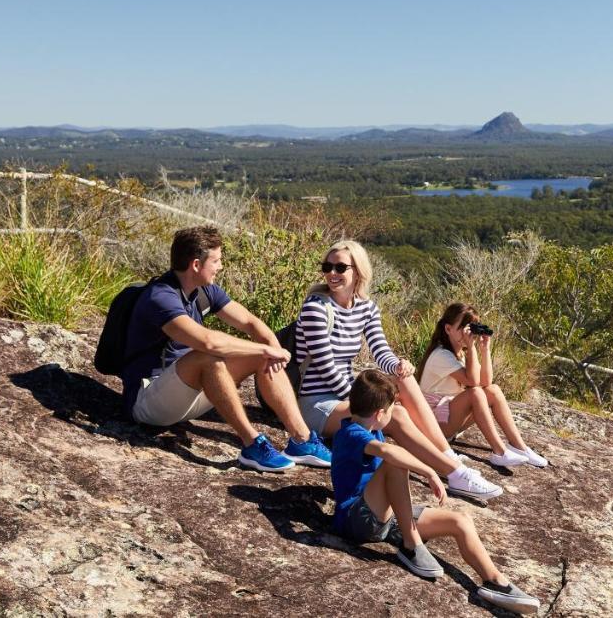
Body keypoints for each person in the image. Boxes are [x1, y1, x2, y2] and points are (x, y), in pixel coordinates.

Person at [294, 239, 502, 502]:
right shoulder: (316, 307)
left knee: (404, 380)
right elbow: (324, 367)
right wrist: (367, 399)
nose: (332, 274)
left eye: (340, 268)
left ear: (358, 271)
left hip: (347, 398)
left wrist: (398, 365)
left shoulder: (366, 308)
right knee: (394, 415)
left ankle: (446, 457)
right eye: (327, 267)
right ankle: (456, 473)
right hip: (319, 403)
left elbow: (381, 350)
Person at [122, 225, 331, 473]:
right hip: (150, 402)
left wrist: (272, 349)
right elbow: (208, 341)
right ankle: (252, 444)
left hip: (188, 395)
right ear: (196, 265)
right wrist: (264, 350)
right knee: (209, 356)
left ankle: (302, 440)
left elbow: (251, 323)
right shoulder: (160, 297)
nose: (221, 267)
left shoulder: (204, 291)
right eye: (217, 261)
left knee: (260, 355)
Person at [332, 369, 540, 614]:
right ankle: (411, 544)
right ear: (379, 414)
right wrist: (429, 472)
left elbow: (386, 439)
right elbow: (389, 453)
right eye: (391, 409)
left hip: (385, 517)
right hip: (355, 520)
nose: (394, 412)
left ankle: (495, 582)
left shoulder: (370, 427)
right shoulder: (350, 433)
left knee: (460, 521)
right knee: (394, 463)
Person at [418, 303, 548, 468]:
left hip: (449, 418)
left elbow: (486, 382)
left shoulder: (460, 355)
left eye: (470, 328)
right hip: (434, 424)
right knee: (475, 393)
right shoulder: (441, 355)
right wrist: (471, 348)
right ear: (448, 329)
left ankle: (519, 446)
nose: (468, 333)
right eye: (463, 328)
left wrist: (485, 349)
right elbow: (473, 383)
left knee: (493, 390)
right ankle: (499, 451)